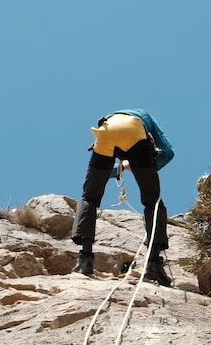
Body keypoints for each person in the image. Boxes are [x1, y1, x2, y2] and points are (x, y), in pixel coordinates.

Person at [70, 109, 174, 286]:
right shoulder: (145, 117)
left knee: (89, 198)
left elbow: (103, 172)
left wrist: (122, 168)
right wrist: (148, 168)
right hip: (133, 132)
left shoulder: (114, 116)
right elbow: (168, 152)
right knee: (153, 201)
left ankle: (85, 260)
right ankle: (153, 264)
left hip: (105, 132)